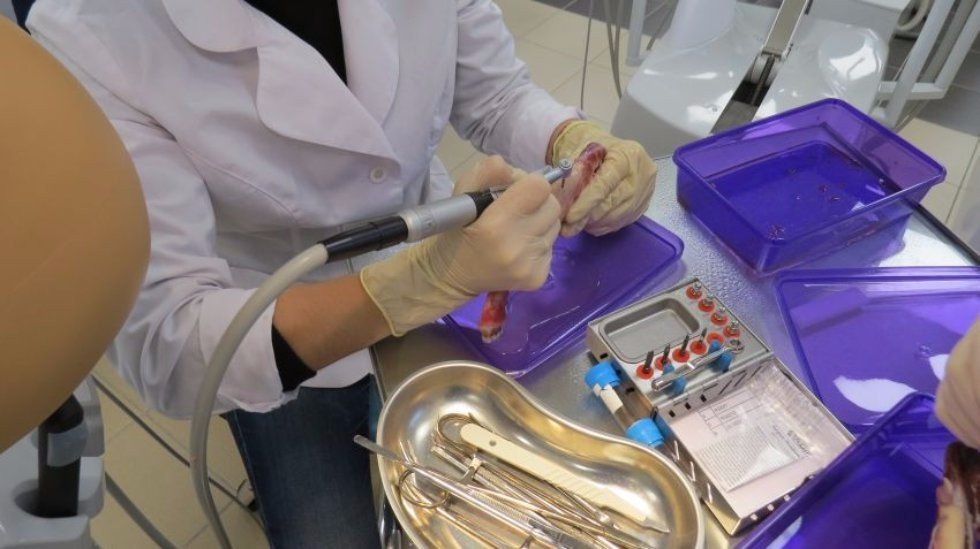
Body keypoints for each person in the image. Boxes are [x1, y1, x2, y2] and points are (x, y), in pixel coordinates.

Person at [23, 1, 657, 546]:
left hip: (447, 272)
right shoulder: (92, 31)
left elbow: (496, 96)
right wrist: (409, 286)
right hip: (275, 334)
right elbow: (171, 345)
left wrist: (571, 140)